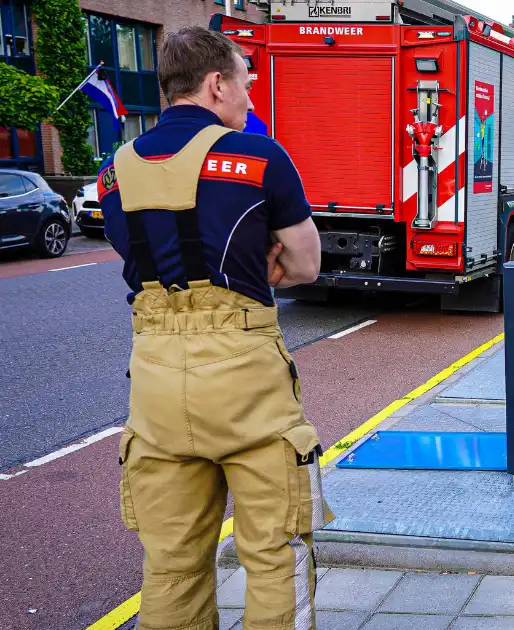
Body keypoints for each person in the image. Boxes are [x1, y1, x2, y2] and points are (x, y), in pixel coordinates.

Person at [100, 27, 331, 628]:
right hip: (245, 382)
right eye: (245, 85)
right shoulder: (261, 158)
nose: (250, 100)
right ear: (215, 83)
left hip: (154, 388)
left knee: (171, 566)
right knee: (274, 554)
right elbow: (306, 265)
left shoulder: (113, 173)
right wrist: (261, 269)